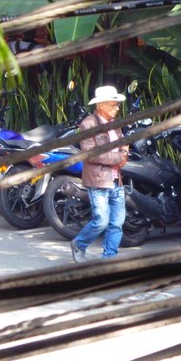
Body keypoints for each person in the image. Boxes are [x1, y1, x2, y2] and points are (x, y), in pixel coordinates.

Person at [70, 85, 129, 262]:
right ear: (102, 105)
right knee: (101, 221)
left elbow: (124, 142)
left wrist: (124, 154)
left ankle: (109, 257)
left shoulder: (115, 124)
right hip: (98, 181)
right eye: (114, 105)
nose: (117, 108)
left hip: (116, 179)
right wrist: (119, 157)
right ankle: (79, 244)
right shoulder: (88, 124)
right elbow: (91, 154)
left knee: (117, 223)